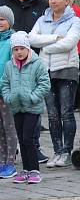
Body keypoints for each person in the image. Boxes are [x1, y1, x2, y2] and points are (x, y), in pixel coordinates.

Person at [28, 0, 80, 168]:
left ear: (67, 0)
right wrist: (53, 38)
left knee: (66, 113)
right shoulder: (43, 20)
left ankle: (66, 151)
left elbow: (69, 43)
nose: (52, 1)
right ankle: (57, 151)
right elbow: (31, 38)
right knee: (52, 115)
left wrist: (46, 46)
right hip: (46, 71)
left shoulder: (74, 20)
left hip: (67, 70)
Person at [0, 32, 49, 184]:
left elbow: (44, 84)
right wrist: (8, 97)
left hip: (32, 108)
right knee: (21, 139)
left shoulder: (38, 63)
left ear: (28, 48)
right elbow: (5, 83)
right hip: (16, 107)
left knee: (28, 138)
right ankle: (26, 169)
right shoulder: (10, 66)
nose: (19, 52)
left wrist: (33, 97)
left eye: (22, 48)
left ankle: (34, 170)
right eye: (15, 49)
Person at [0, 8, 17, 179]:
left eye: (2, 19)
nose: (0, 23)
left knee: (9, 127)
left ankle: (10, 162)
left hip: (7, 92)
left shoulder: (13, 41)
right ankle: (1, 161)